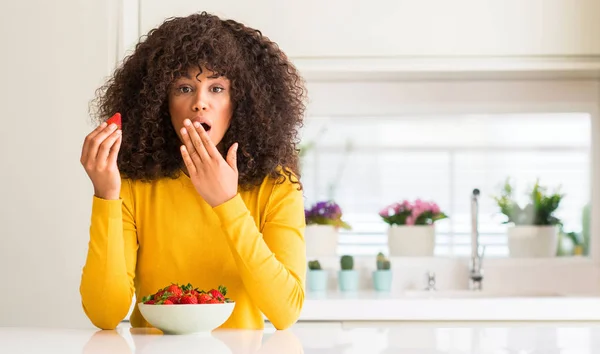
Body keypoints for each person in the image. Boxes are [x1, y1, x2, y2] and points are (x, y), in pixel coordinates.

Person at [79, 11, 307, 330]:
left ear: (239, 101)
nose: (200, 103)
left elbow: (286, 311)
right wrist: (106, 195)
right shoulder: (132, 184)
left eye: (216, 88)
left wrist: (227, 203)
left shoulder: (277, 186)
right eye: (184, 88)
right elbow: (105, 314)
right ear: (161, 101)